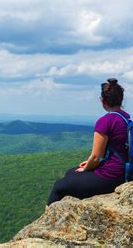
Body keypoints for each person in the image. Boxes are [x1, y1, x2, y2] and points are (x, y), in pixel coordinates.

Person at [46, 78, 128, 206]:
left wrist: (88, 167)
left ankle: (47, 223)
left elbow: (96, 157)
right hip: (126, 171)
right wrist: (87, 165)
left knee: (59, 186)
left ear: (102, 101)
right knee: (71, 172)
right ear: (121, 99)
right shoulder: (128, 118)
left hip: (112, 176)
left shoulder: (105, 121)